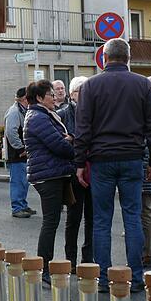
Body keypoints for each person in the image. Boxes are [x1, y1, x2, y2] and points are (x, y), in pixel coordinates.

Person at [74, 38, 151, 292]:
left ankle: (103, 277)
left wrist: (80, 161)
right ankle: (136, 277)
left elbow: (83, 128)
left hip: (101, 160)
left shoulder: (91, 86)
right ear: (128, 58)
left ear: (105, 58)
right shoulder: (143, 85)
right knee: (132, 217)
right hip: (132, 158)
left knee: (101, 220)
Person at [24, 79, 75, 284]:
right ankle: (43, 267)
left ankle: (44, 266)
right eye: (51, 95)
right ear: (39, 97)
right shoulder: (38, 117)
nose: (55, 98)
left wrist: (67, 139)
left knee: (52, 221)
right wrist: (70, 144)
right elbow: (59, 145)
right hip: (48, 176)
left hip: (51, 173)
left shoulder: (41, 115)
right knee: (51, 221)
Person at [57, 76, 93, 265]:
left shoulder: (96, 113)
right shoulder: (63, 114)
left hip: (94, 171)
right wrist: (70, 140)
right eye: (80, 90)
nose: (84, 94)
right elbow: (58, 142)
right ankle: (70, 259)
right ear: (72, 94)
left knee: (92, 218)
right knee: (73, 218)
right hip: (72, 172)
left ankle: (88, 258)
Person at [5, 88, 34, 218]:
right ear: (25, 99)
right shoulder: (15, 112)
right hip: (17, 155)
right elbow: (11, 132)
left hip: (19, 153)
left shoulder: (19, 111)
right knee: (18, 181)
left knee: (22, 181)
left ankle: (22, 205)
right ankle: (17, 207)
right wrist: (21, 149)